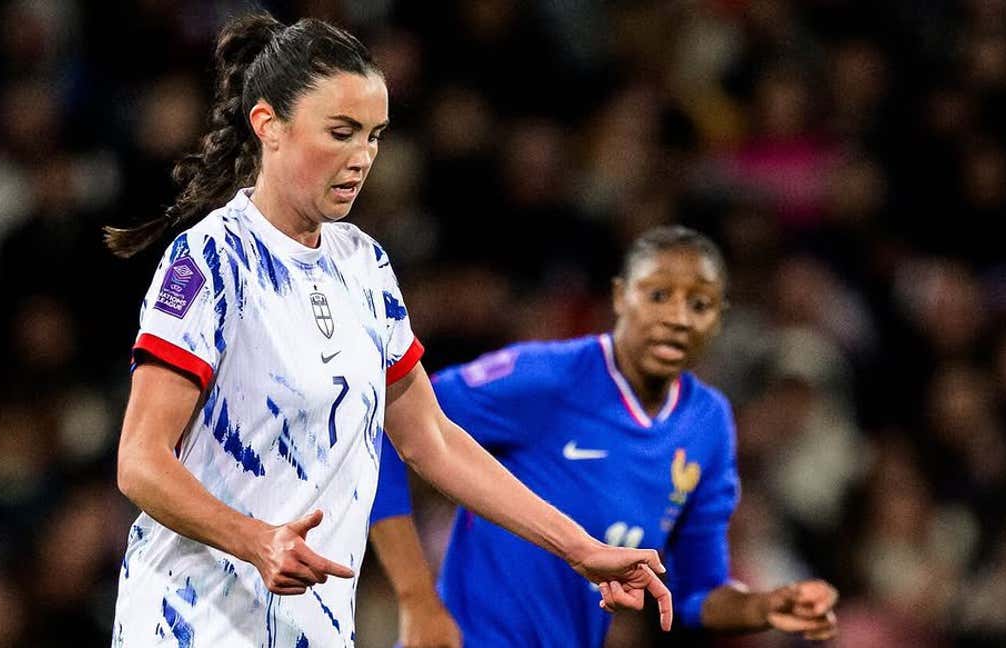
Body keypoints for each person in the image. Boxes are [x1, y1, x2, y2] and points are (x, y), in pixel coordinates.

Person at [106, 13, 671, 648]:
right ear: (268, 125)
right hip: (191, 621)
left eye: (374, 136)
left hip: (313, 627)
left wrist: (579, 548)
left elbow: (430, 439)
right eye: (341, 133)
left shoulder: (364, 265)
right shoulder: (210, 260)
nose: (363, 158)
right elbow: (140, 461)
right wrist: (256, 539)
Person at [369, 226, 840, 647]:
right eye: (658, 295)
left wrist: (763, 607)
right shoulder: (548, 379)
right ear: (620, 297)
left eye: (699, 304)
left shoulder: (708, 422)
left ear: (719, 318)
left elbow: (698, 593)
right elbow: (387, 423)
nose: (678, 317)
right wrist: (417, 601)